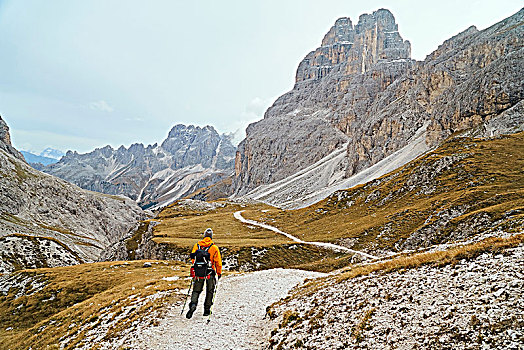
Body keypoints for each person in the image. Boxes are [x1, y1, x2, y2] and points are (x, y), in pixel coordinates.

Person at [186, 228, 222, 319]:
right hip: (210, 272)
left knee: (196, 290)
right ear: (211, 237)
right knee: (210, 291)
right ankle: (206, 310)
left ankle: (193, 305)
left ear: (204, 236)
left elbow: (192, 258)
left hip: (198, 272)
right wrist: (219, 272)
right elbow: (218, 262)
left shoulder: (197, 245)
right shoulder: (214, 248)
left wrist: (197, 266)